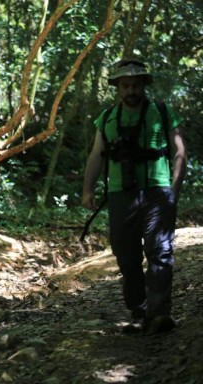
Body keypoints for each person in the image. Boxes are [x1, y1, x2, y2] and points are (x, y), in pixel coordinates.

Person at [82, 58, 187, 334]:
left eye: (136, 85)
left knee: (160, 251)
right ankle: (138, 310)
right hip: (120, 195)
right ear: (117, 87)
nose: (131, 90)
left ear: (144, 85)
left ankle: (159, 313)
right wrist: (88, 189)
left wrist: (173, 190)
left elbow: (179, 152)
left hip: (158, 191)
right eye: (126, 85)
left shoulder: (162, 112)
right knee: (126, 256)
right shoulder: (107, 119)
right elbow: (97, 156)